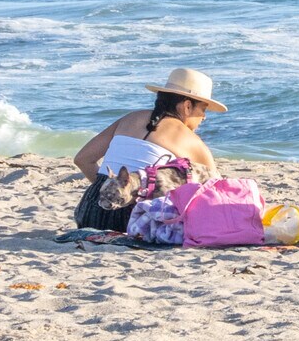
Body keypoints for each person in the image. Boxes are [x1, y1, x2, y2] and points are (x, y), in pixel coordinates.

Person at [71, 67, 226, 231]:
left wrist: (112, 187)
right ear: (187, 106)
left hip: (90, 210)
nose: (204, 117)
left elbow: (82, 159)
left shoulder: (130, 118)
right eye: (203, 109)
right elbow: (219, 190)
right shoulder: (190, 140)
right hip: (133, 218)